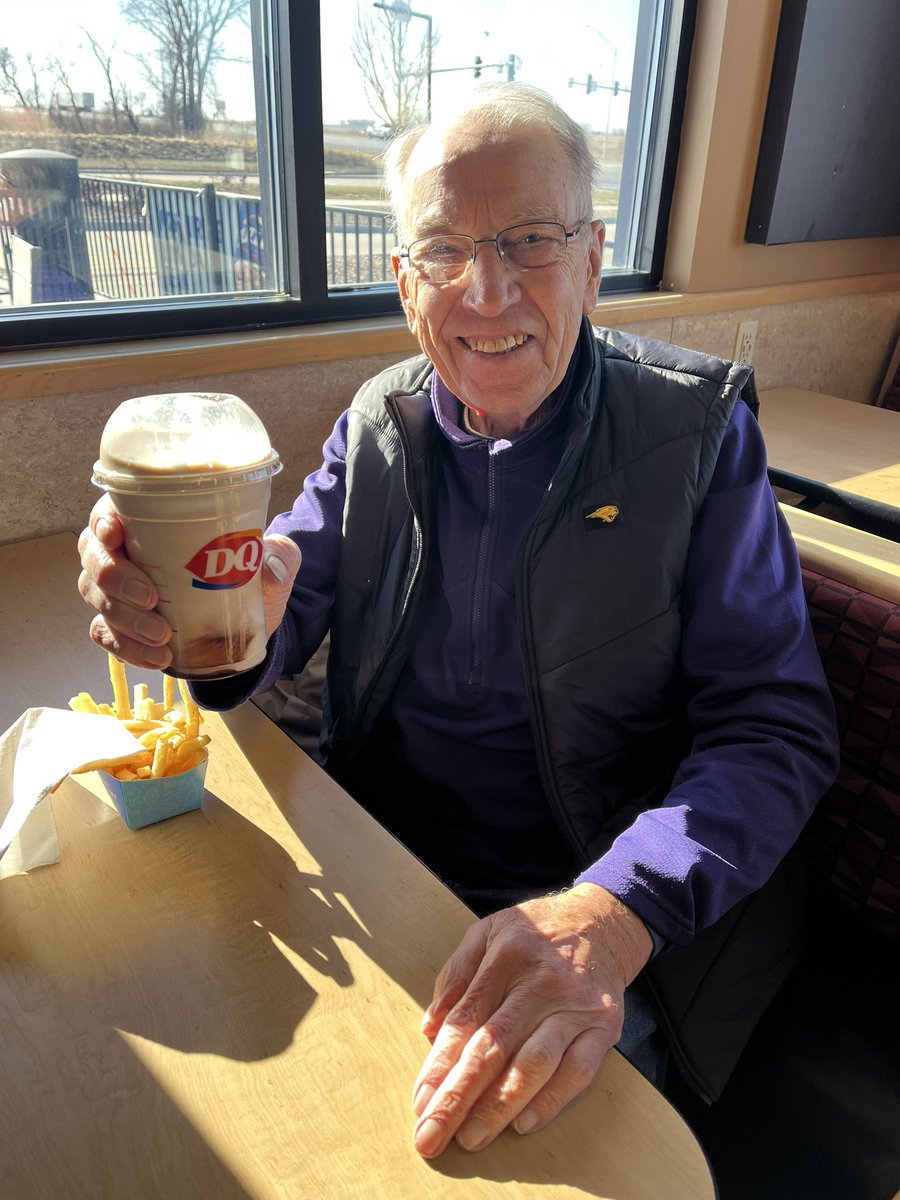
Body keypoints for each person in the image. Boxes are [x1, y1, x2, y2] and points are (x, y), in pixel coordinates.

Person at [78, 83, 839, 1160]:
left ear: (591, 256)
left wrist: (612, 913)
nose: (486, 291)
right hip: (387, 875)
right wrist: (190, 613)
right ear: (404, 283)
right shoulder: (376, 423)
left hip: (607, 911)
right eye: (443, 249)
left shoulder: (699, 434)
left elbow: (777, 732)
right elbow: (271, 610)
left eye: (530, 240)